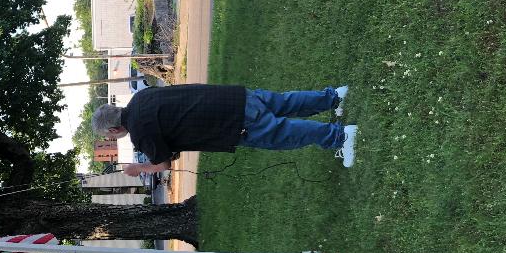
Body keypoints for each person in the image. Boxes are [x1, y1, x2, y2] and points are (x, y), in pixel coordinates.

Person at [91, 83, 358, 171]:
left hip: (230, 125)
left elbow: (163, 163)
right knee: (284, 103)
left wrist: (140, 168)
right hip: (232, 97)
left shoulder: (141, 134)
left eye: (110, 137)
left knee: (281, 133)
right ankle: (334, 96)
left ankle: (340, 137)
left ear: (114, 130)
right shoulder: (141, 97)